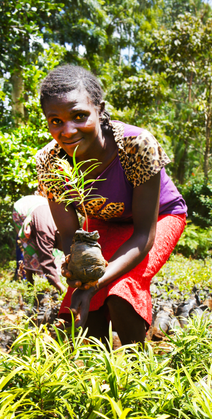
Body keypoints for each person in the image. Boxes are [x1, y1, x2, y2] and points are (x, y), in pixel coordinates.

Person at [36, 65, 187, 346]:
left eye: (79, 116)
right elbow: (69, 235)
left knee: (120, 295)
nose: (67, 131)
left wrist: (97, 283)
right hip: (103, 221)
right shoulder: (49, 162)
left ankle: (139, 371)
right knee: (84, 308)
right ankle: (101, 375)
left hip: (159, 218)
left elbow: (144, 236)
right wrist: (79, 275)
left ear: (99, 109)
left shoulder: (136, 145)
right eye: (55, 120)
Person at [12, 195, 66, 293]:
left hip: (41, 206)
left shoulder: (62, 226)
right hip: (22, 209)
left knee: (57, 255)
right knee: (31, 248)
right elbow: (46, 260)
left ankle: (44, 280)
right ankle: (29, 285)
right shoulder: (46, 234)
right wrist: (61, 287)